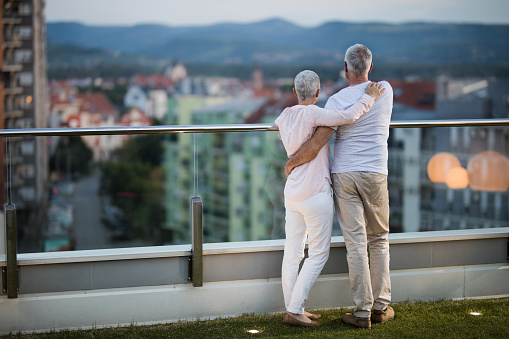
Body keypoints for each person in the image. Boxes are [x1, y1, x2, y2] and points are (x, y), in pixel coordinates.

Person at [285, 44, 395, 329]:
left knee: (355, 243)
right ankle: (382, 307)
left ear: (345, 69)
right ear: (370, 66)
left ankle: (362, 313)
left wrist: (291, 163)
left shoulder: (334, 101)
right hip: (375, 173)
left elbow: (316, 144)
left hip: (344, 174)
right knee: (379, 239)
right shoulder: (385, 90)